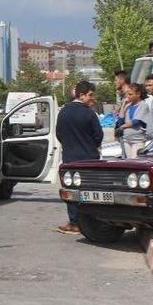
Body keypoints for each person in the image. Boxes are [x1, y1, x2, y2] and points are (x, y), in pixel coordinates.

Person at [54, 80, 103, 235]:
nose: (92, 99)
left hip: (70, 158)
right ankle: (89, 222)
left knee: (71, 190)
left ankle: (74, 222)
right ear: (81, 95)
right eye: (90, 95)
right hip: (89, 159)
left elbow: (59, 134)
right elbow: (98, 136)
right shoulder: (90, 113)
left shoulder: (63, 112)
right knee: (89, 191)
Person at [118, 83, 149, 158]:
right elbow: (120, 120)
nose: (128, 96)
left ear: (138, 94)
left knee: (135, 160)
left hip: (137, 140)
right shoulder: (128, 106)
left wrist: (122, 127)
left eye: (130, 94)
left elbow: (136, 121)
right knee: (129, 162)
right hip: (127, 139)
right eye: (127, 94)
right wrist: (123, 105)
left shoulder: (143, 105)